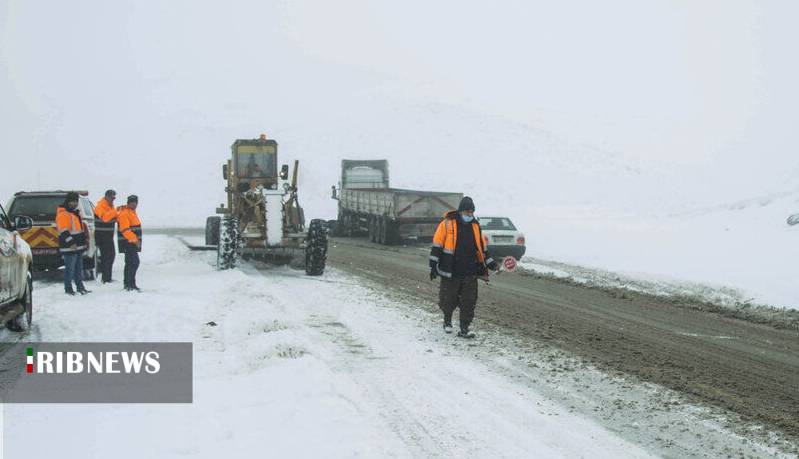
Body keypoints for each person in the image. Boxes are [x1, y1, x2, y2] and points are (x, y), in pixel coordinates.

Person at [429, 196, 498, 338]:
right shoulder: (447, 223)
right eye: (467, 212)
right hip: (451, 270)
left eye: (472, 212)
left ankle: (464, 328)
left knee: (469, 301)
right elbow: (437, 245)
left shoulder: (475, 225)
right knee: (448, 298)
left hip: (470, 271)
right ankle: (447, 321)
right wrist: (433, 265)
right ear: (460, 211)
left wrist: (492, 264)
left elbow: (482, 249)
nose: (469, 215)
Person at [56, 192, 91, 295]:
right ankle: (68, 289)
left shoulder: (75, 213)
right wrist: (71, 242)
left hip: (78, 247)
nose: (74, 203)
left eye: (76, 201)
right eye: (72, 201)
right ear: (68, 201)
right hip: (70, 247)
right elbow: (63, 231)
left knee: (78, 269)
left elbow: (78, 230)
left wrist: (85, 241)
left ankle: (80, 287)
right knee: (70, 270)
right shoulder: (63, 214)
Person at [117, 195, 142, 292]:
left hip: (131, 242)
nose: (134, 204)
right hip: (128, 242)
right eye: (132, 202)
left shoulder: (132, 213)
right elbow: (125, 230)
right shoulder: (124, 213)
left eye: (136, 202)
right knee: (134, 262)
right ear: (128, 203)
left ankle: (129, 283)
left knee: (130, 263)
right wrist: (135, 240)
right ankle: (129, 284)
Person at [94, 189, 118, 283]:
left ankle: (107, 277)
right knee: (107, 256)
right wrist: (116, 212)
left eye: (114, 197)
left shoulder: (110, 206)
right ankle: (106, 279)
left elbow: (112, 218)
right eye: (112, 197)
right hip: (102, 235)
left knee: (110, 256)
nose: (113, 199)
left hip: (108, 235)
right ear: (107, 196)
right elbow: (105, 218)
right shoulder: (101, 206)